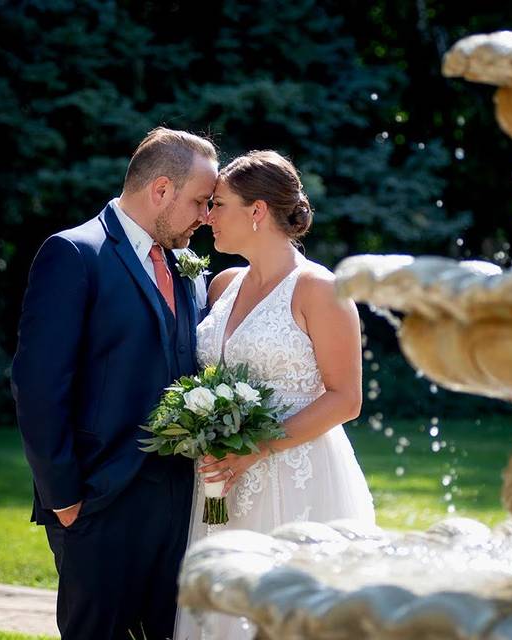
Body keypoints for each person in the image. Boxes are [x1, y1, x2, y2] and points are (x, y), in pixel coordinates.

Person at [11, 127, 217, 640]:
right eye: (200, 201)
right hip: (98, 502)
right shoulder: (74, 254)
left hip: (177, 503)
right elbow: (38, 387)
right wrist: (65, 500)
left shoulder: (186, 269)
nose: (206, 216)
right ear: (162, 190)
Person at [177, 150, 375, 640]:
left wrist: (255, 448)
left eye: (218, 204)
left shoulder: (321, 289)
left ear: (257, 211)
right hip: (221, 481)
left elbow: (345, 398)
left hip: (297, 477)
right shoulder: (223, 284)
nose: (207, 217)